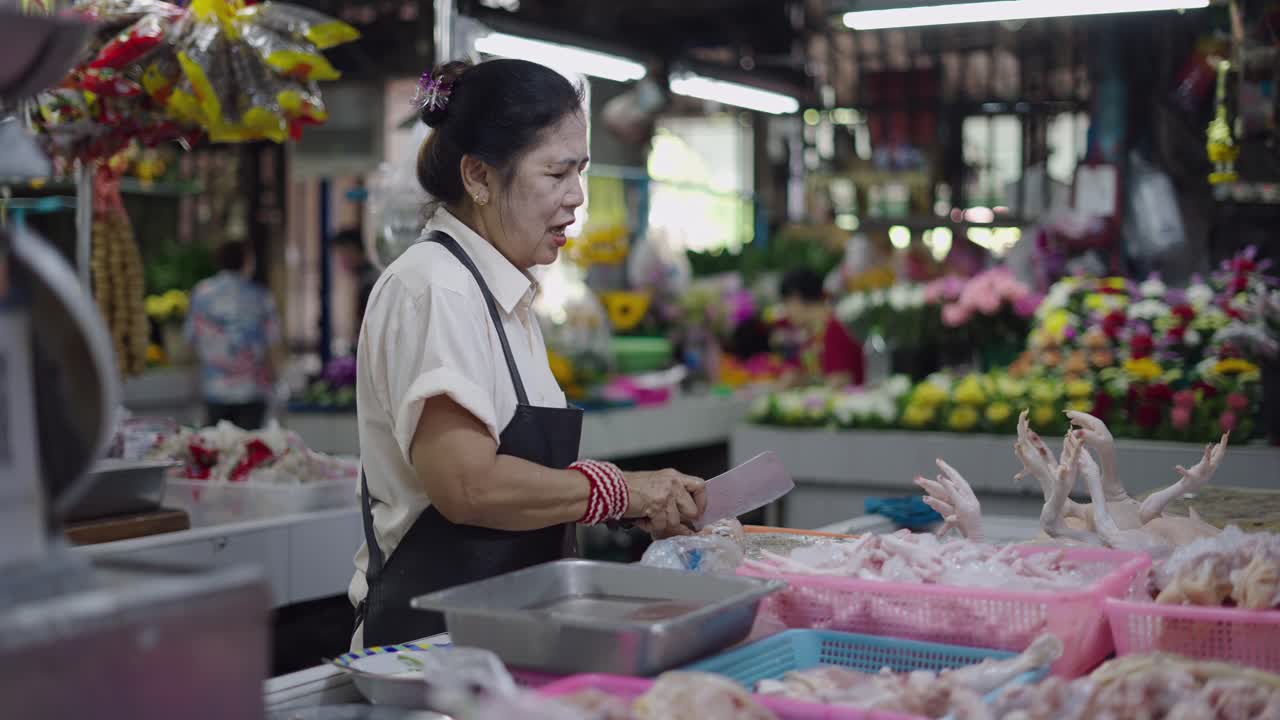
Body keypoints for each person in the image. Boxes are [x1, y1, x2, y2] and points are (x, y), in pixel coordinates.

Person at [350, 59, 707, 649]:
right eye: (556, 173)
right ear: (479, 176)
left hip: (501, 632)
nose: (577, 198)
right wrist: (618, 490)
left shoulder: (502, 294)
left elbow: (519, 481)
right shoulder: (437, 287)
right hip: (433, 649)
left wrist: (623, 503)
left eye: (581, 172)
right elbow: (467, 485)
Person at [185, 240, 284, 430]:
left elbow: (191, 342)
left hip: (214, 388)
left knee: (216, 450)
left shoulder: (201, 294)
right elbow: (273, 345)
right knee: (250, 451)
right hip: (253, 389)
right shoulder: (260, 296)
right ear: (247, 261)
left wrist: (193, 386)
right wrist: (277, 382)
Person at [774, 268, 865, 387]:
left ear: (796, 299)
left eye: (786, 304)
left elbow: (839, 382)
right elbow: (794, 375)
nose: (786, 312)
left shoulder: (836, 329)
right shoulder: (814, 332)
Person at [332, 227, 380, 327]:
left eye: (343, 254)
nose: (341, 261)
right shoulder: (366, 277)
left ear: (355, 251)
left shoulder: (369, 282)